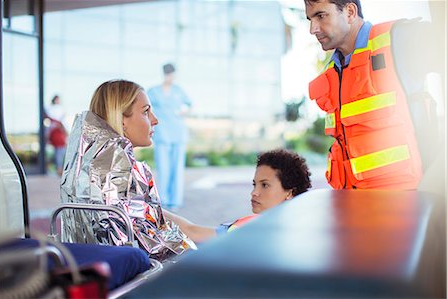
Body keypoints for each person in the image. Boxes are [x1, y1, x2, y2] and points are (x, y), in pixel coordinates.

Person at [304, 0, 439, 190]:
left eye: (321, 16)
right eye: (310, 19)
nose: (312, 29)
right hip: (357, 207)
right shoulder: (333, 73)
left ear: (350, 12)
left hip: (412, 205)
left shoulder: (400, 39)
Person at [60, 79, 196, 260]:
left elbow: (153, 218)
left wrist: (210, 232)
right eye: (146, 112)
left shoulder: (94, 165)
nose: (155, 120)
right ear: (122, 119)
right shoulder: (115, 172)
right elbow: (148, 248)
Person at [163, 149, 312, 243]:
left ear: (289, 192)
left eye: (265, 185)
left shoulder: (249, 229)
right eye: (254, 184)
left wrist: (151, 209)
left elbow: (193, 232)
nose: (254, 192)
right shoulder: (309, 229)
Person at [147, 63, 192, 211]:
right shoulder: (153, 91)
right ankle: (164, 200)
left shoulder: (179, 91)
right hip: (161, 134)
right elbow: (146, 107)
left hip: (178, 133)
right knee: (163, 168)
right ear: (164, 74)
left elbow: (189, 104)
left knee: (177, 168)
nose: (171, 77)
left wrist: (182, 113)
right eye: (169, 74)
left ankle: (175, 201)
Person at [45, 95, 67, 176]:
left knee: (60, 153)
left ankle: (59, 168)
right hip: (55, 134)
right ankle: (58, 169)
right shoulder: (51, 110)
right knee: (57, 153)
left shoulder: (60, 109)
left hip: (59, 133)